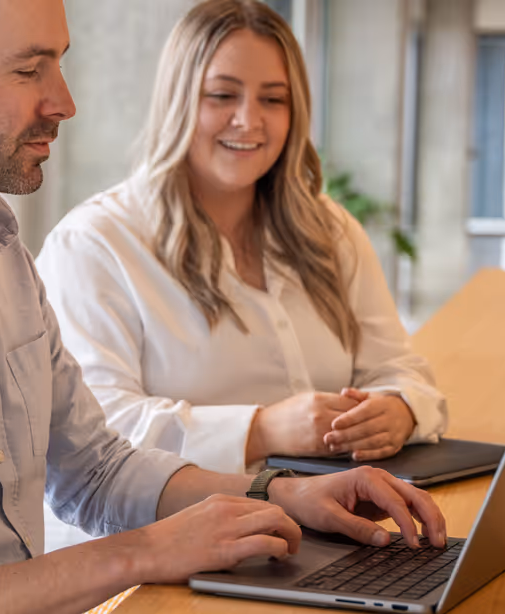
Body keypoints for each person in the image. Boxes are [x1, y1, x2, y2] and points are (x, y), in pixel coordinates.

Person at [0, 0, 447, 612]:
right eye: (30, 69)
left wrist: (285, 494)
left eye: (58, 61)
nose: (64, 101)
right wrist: (144, 551)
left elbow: (92, 470)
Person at [35, 0, 448, 477]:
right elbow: (94, 430)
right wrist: (262, 430)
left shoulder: (330, 230)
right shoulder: (94, 244)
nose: (249, 120)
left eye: (273, 99)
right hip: (184, 537)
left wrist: (399, 409)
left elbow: (401, 368)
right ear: (179, 100)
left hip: (336, 517)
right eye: (222, 96)